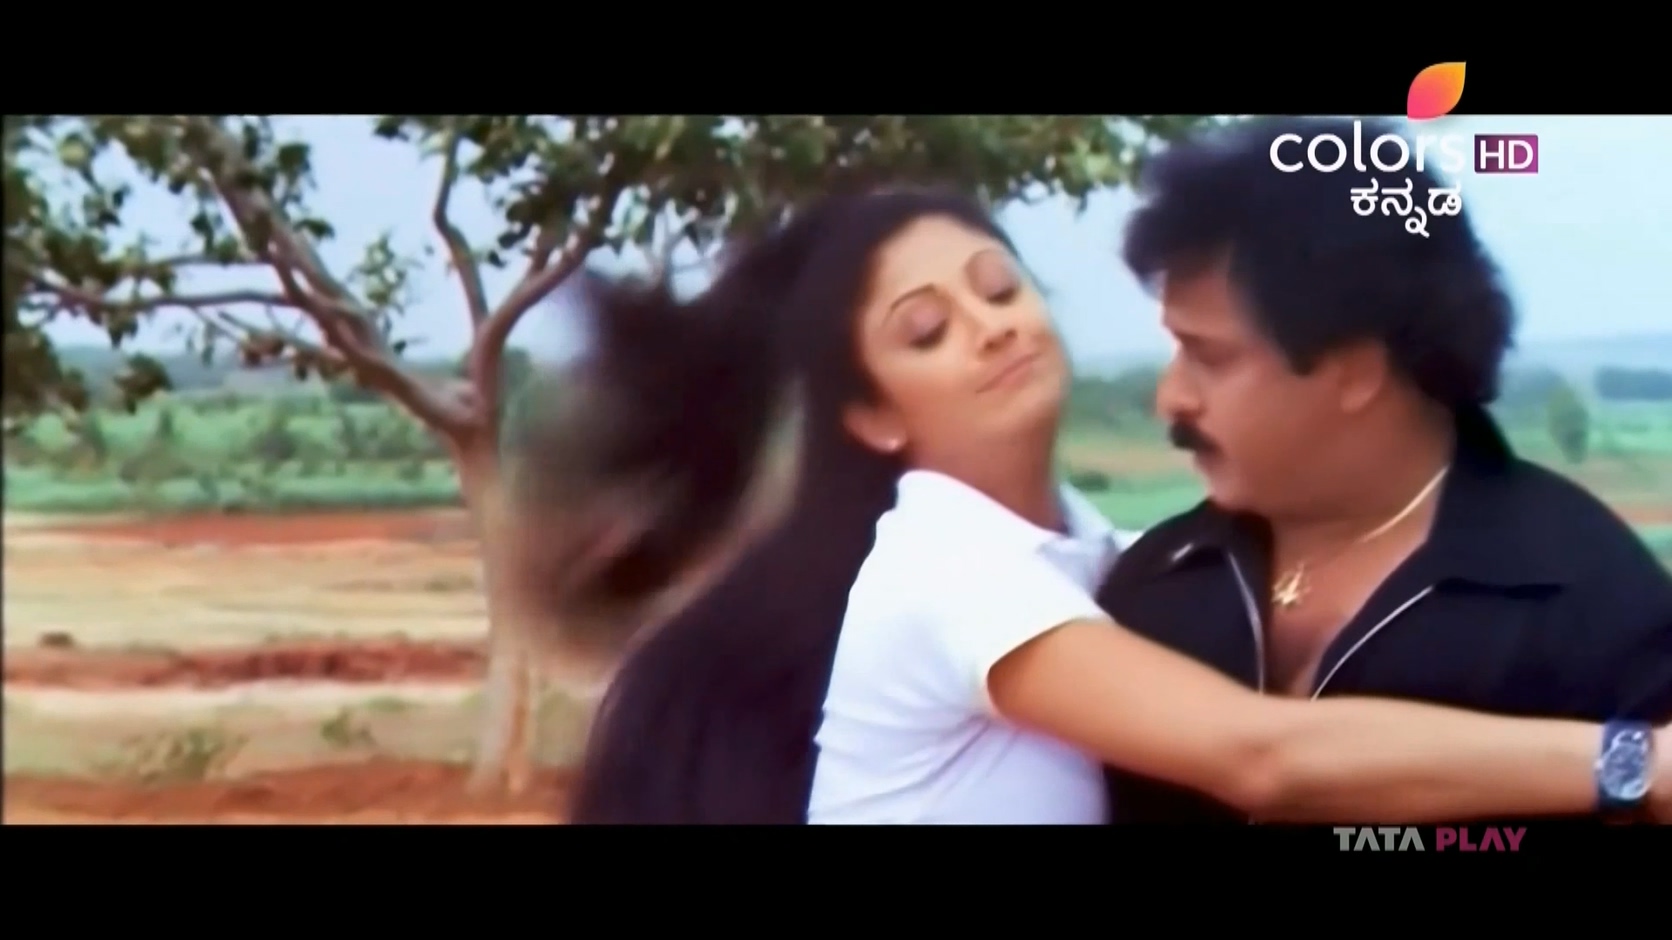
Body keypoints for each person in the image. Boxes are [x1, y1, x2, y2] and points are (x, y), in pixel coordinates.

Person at [504, 186, 1670, 825]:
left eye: (999, 286)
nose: (990, 325)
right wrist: (1636, 766)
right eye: (927, 330)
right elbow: (1260, 755)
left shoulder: (1106, 563)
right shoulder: (947, 579)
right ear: (873, 417)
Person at [1098, 116, 1672, 823]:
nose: (1171, 398)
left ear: (1356, 371)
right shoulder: (1152, 582)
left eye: (1207, 357)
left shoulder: (1592, 608)